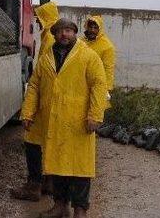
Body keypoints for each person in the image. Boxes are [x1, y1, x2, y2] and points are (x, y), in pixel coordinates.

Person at [20, 18, 107, 218]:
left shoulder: (88, 56)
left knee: (80, 170)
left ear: (75, 32)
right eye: (60, 31)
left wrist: (95, 115)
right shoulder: (46, 58)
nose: (64, 34)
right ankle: (60, 206)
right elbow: (34, 86)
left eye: (68, 30)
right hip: (54, 122)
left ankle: (80, 210)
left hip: (79, 123)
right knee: (57, 167)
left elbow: (99, 85)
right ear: (54, 34)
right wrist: (28, 112)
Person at [11, 1, 59, 201]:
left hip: (45, 104)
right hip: (50, 104)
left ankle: (34, 186)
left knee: (32, 143)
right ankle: (48, 183)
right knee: (47, 144)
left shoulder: (50, 41)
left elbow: (40, 79)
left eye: (40, 18)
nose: (37, 21)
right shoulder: (51, 38)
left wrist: (30, 109)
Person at [82, 15, 116, 107]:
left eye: (95, 28)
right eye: (90, 27)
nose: (92, 30)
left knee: (95, 115)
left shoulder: (107, 46)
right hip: (80, 84)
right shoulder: (80, 42)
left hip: (97, 85)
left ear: (99, 29)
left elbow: (108, 69)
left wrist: (106, 89)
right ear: (86, 27)